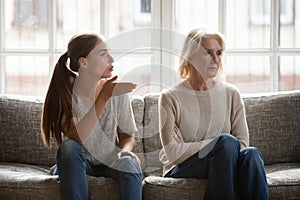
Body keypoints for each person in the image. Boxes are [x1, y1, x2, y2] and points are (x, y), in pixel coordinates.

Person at [159, 28, 269, 200]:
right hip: (182, 167)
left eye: (218, 53)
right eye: (207, 53)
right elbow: (173, 153)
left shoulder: (231, 94)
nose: (215, 60)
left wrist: (209, 147)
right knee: (226, 142)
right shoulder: (170, 97)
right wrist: (217, 144)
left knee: (252, 155)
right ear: (190, 56)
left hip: (226, 161)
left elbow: (242, 144)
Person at [41, 33, 142, 200]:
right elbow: (77, 137)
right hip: (78, 163)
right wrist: (104, 97)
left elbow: (127, 136)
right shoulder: (65, 94)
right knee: (69, 148)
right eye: (103, 54)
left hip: (111, 161)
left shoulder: (117, 93)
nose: (111, 59)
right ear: (84, 62)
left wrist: (125, 151)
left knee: (129, 163)